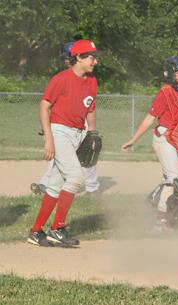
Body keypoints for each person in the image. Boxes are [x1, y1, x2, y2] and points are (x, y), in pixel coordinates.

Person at [27, 39, 99, 247]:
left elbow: (91, 107)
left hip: (77, 133)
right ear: (79, 57)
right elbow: (44, 106)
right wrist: (49, 139)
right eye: (91, 57)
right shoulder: (61, 79)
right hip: (59, 131)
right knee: (76, 179)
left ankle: (35, 231)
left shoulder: (92, 80)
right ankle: (57, 228)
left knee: (55, 186)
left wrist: (91, 134)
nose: (95, 61)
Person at [121, 56, 178, 230]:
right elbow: (150, 118)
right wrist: (134, 139)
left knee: (170, 180)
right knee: (175, 180)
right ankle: (161, 220)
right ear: (170, 75)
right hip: (164, 138)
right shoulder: (164, 93)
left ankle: (156, 198)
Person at [30, 41, 101, 196]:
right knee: (60, 156)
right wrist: (50, 130)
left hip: (81, 124)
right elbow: (47, 105)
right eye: (65, 60)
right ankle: (46, 183)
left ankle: (92, 187)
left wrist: (92, 131)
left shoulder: (89, 79)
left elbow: (90, 106)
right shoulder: (63, 78)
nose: (66, 62)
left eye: (67, 59)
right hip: (64, 126)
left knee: (87, 157)